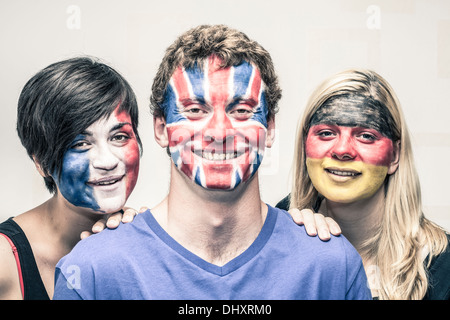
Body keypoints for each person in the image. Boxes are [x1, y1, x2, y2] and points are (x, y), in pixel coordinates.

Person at [53, 25, 371, 300]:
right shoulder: (94, 272)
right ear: (161, 129)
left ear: (270, 128)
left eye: (242, 111)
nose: (219, 132)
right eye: (194, 111)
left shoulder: (331, 266)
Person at [276, 69, 450, 300]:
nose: (342, 150)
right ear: (304, 145)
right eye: (327, 133)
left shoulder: (442, 265)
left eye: (366, 136)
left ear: (394, 156)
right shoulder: (284, 223)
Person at [0, 57, 142, 300]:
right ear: (42, 163)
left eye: (118, 136)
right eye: (81, 144)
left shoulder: (139, 242)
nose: (107, 161)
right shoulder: (5, 260)